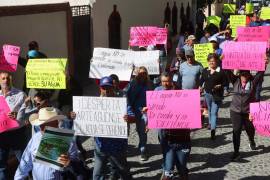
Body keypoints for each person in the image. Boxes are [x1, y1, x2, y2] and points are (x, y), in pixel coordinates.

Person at [14, 107, 81, 179]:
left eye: (46, 125)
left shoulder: (68, 141)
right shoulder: (35, 138)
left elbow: (78, 168)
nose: (42, 128)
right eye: (40, 125)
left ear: (56, 124)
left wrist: (69, 163)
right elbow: (25, 162)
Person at [92, 76, 134, 180]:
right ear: (100, 89)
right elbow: (84, 117)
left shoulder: (121, 102)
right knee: (96, 174)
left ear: (113, 88)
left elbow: (133, 117)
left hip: (117, 145)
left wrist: (129, 118)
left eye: (108, 88)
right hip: (100, 145)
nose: (106, 90)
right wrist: (75, 115)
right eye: (104, 88)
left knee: (123, 171)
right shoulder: (92, 103)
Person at [228, 70, 264, 161]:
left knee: (250, 129)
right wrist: (222, 60)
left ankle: (251, 140)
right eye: (242, 75)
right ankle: (236, 152)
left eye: (246, 75)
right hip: (235, 111)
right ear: (240, 75)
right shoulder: (235, 81)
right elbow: (227, 71)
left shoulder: (253, 82)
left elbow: (260, 74)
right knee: (236, 131)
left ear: (249, 75)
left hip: (248, 111)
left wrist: (263, 63)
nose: (244, 77)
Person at [0, 71, 27, 180]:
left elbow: (29, 112)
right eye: (3, 78)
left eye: (8, 78)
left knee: (24, 162)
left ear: (11, 80)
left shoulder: (20, 94)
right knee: (1, 165)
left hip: (17, 134)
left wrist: (18, 115)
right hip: (2, 134)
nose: (5, 80)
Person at [126, 66, 153, 161]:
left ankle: (143, 149)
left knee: (143, 130)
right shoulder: (133, 83)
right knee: (138, 129)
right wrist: (130, 110)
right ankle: (142, 144)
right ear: (137, 74)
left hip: (145, 110)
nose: (142, 75)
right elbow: (128, 97)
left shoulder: (149, 83)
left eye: (144, 73)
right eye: (140, 73)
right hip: (135, 110)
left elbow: (153, 96)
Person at [200, 53, 227, 140]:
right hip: (207, 94)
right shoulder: (205, 70)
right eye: (210, 61)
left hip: (217, 96)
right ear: (208, 62)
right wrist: (200, 87)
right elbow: (201, 81)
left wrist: (220, 86)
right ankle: (211, 124)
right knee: (210, 110)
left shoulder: (221, 72)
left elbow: (226, 83)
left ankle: (213, 130)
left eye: (213, 61)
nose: (212, 63)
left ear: (217, 62)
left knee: (214, 112)